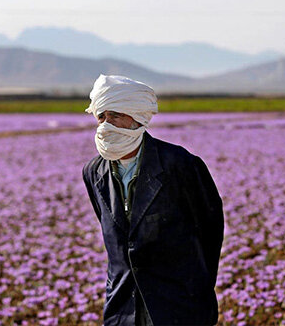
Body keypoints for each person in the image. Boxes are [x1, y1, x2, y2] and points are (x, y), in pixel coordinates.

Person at [82, 74, 224, 326]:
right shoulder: (94, 172)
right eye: (101, 116)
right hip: (123, 309)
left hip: (178, 306)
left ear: (138, 118)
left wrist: (196, 292)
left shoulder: (180, 165)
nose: (106, 124)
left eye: (115, 115)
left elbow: (210, 232)